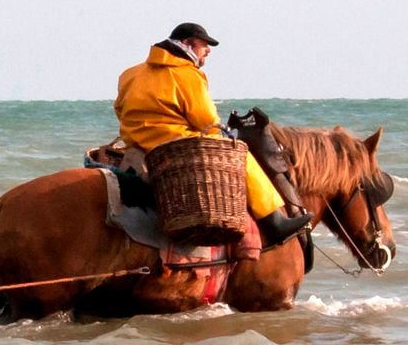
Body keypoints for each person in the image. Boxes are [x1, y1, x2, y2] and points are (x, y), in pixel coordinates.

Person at [115, 22, 310, 247]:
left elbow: (120, 109)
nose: (207, 50)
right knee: (241, 155)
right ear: (187, 43)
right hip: (176, 142)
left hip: (136, 144)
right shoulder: (187, 74)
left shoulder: (130, 74)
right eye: (204, 45)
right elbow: (205, 119)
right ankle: (274, 221)